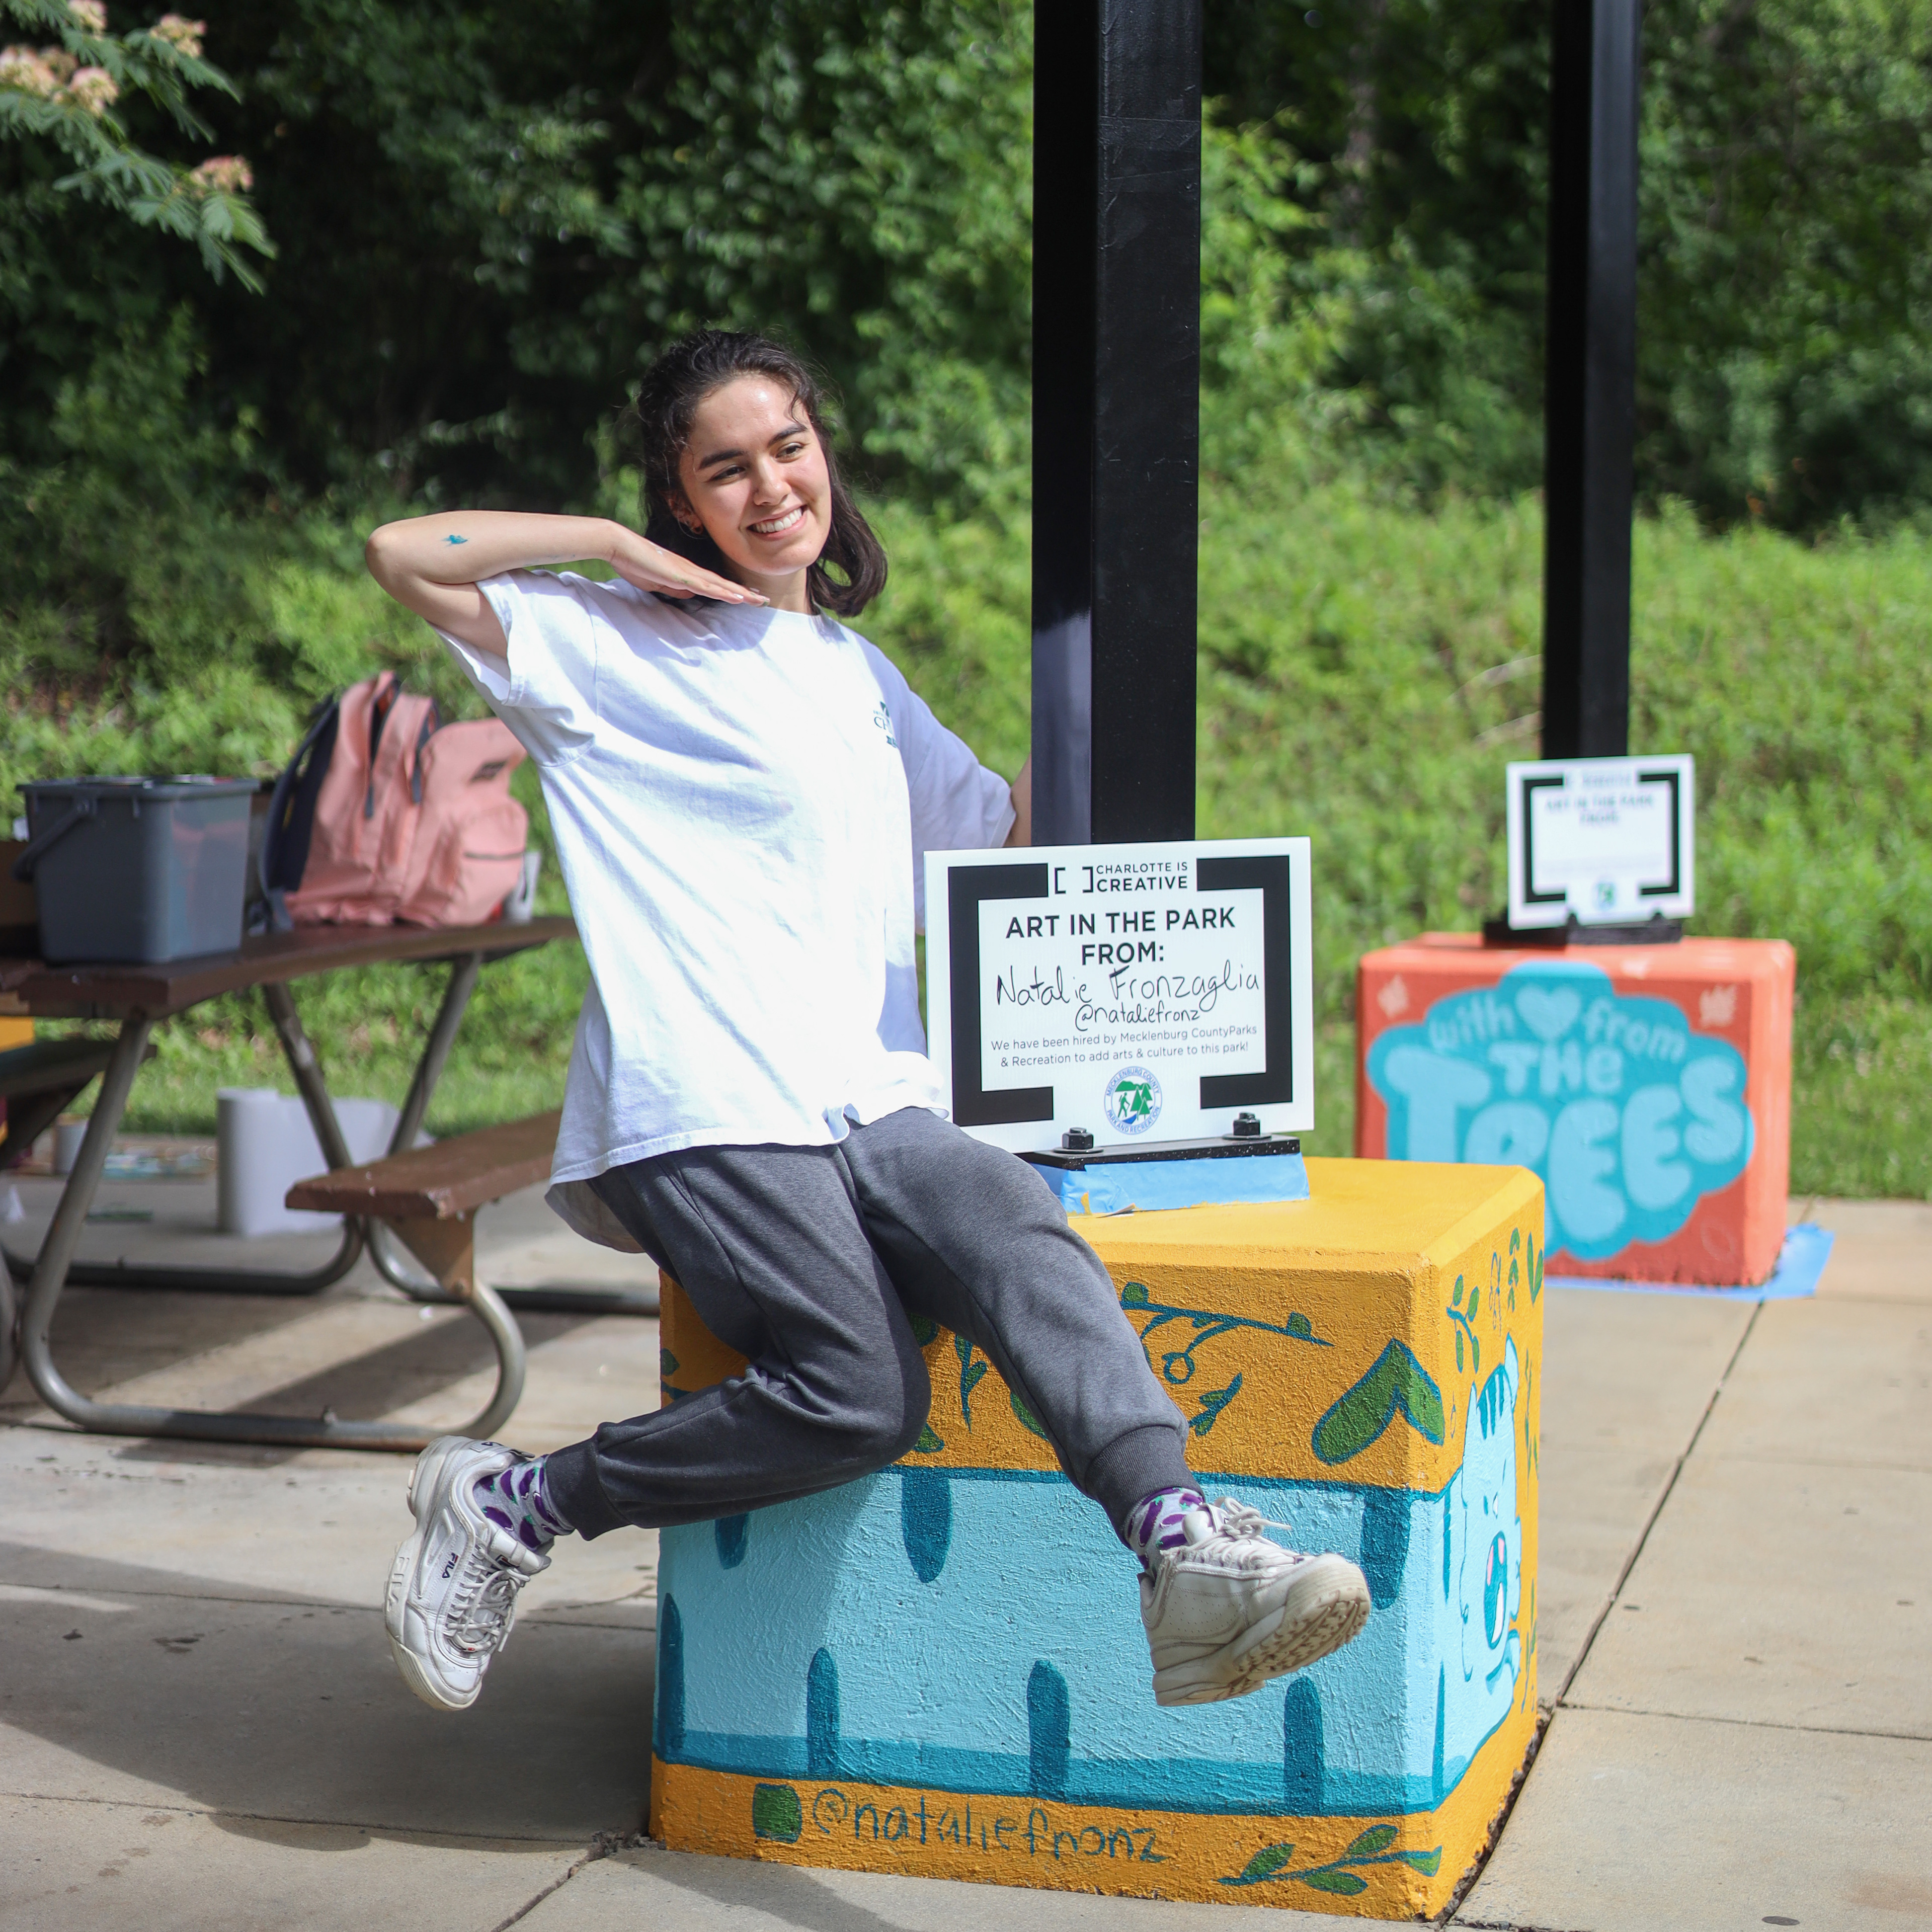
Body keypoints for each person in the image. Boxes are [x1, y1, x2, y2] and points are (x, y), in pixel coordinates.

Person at [364, 329, 1371, 1719]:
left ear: (824, 454)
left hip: (874, 1093)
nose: (773, 487)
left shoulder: (851, 671)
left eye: (790, 447)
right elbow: (405, 550)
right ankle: (519, 1504)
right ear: (681, 501)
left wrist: (1109, 697)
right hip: (706, 1096)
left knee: (1015, 1223)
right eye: (725, 468)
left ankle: (1183, 1555)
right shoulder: (598, 643)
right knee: (857, 1392)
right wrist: (604, 541)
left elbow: (1000, 835)